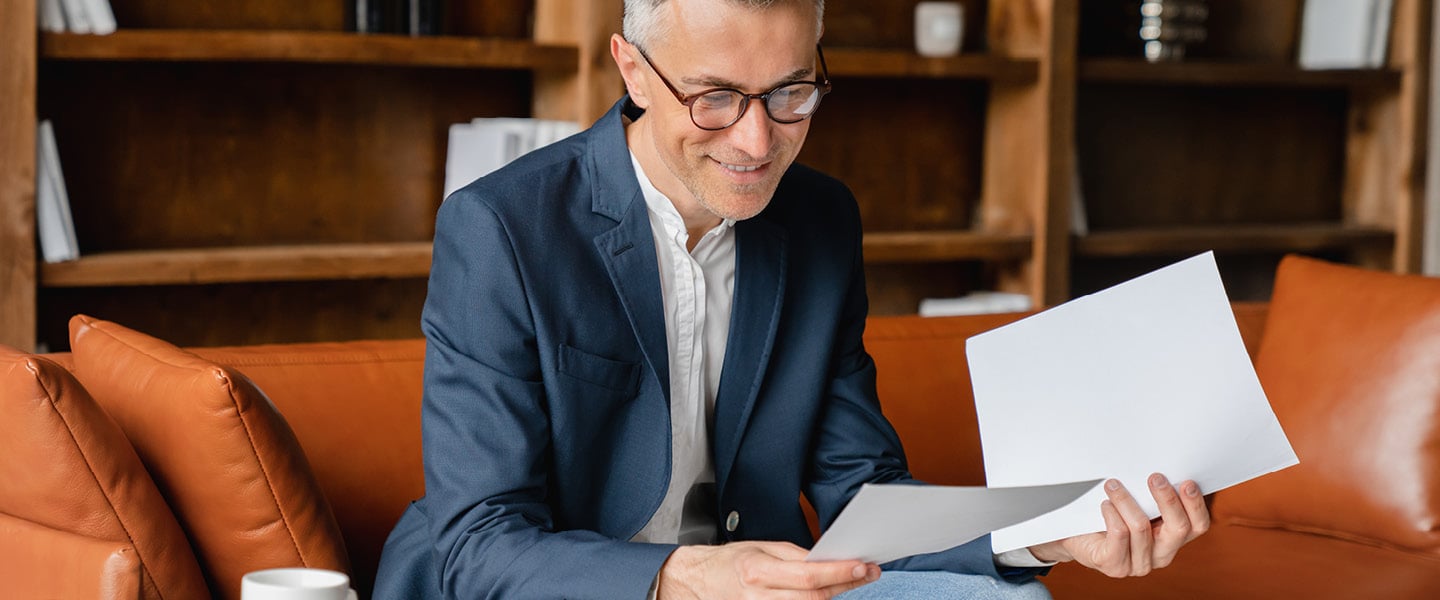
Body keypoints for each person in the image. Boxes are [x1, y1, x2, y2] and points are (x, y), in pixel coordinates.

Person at [373, 0, 1210, 598]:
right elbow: (479, 545)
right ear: (633, 70)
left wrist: (1046, 537)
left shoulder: (819, 219)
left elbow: (860, 491)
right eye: (715, 98)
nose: (756, 140)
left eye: (790, 93)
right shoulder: (502, 228)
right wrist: (682, 577)